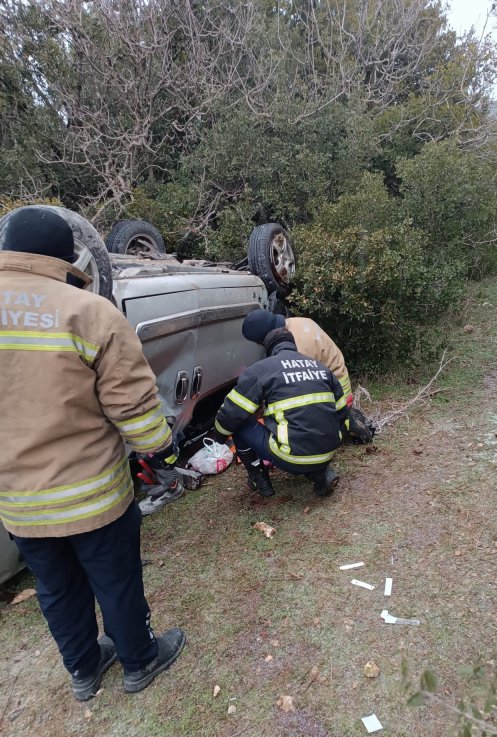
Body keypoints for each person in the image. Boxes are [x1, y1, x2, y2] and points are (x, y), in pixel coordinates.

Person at [0, 207, 185, 700]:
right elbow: (132, 403)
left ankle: (83, 670)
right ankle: (139, 661)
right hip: (93, 495)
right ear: (66, 254)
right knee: (116, 580)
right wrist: (161, 446)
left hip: (20, 502)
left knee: (56, 589)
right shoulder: (86, 310)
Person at [214, 327, 348, 497]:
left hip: (293, 456)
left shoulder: (261, 369)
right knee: (306, 434)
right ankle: (319, 473)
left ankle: (260, 480)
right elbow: (342, 412)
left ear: (269, 349)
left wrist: (219, 436)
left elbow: (230, 414)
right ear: (293, 345)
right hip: (329, 450)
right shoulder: (320, 367)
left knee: (239, 424)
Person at [242, 309, 375, 443]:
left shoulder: (296, 347)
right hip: (337, 381)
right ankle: (343, 419)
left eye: (259, 342)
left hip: (333, 392)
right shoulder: (299, 322)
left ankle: (346, 421)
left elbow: (297, 386)